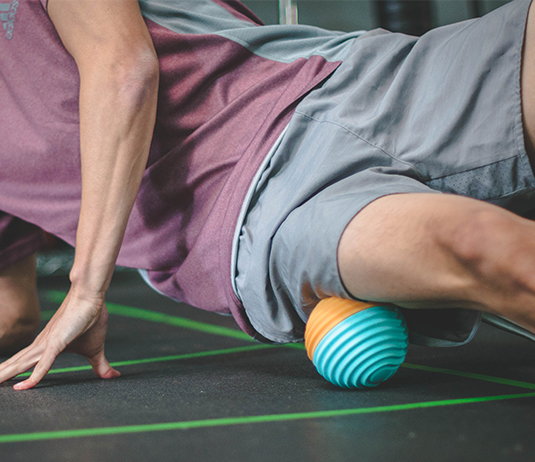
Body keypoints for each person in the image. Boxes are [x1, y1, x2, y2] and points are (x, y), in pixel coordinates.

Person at [1, 0, 535, 390]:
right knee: (482, 248)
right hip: (255, 216)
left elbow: (123, 69)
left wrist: (85, 288)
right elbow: (13, 312)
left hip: (341, 78)